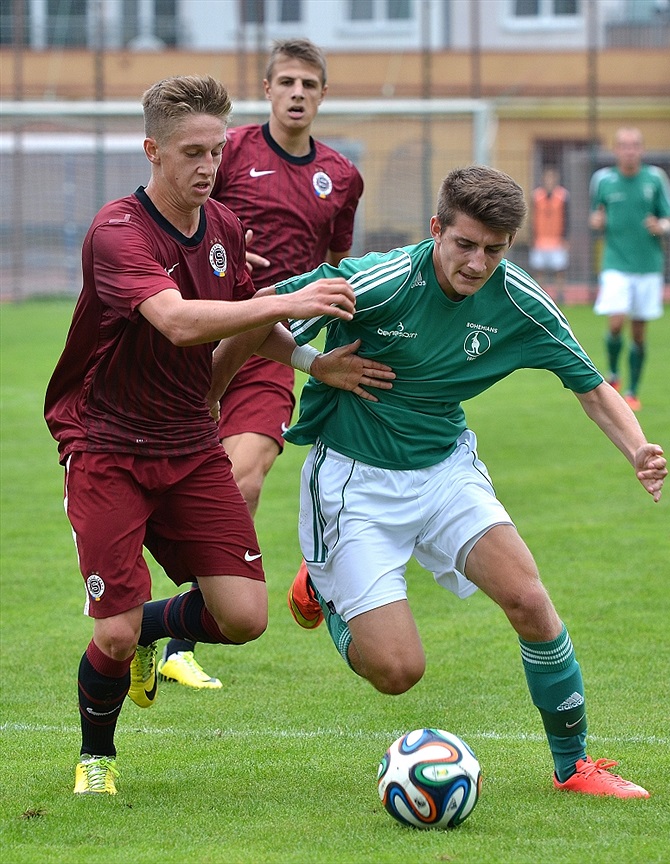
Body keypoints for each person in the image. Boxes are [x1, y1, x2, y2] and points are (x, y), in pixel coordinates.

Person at [239, 165, 666, 799]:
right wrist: (313, 363)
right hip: (356, 482)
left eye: (494, 250)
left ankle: (574, 766)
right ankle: (326, 589)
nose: (476, 263)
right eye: (465, 244)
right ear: (437, 229)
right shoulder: (376, 283)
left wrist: (638, 450)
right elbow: (254, 319)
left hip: (445, 471)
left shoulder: (519, 302)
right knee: (397, 671)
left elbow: (591, 387)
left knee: (529, 599)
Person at [43, 74, 393, 796]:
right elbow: (176, 321)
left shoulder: (226, 229)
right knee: (109, 635)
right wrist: (290, 296)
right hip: (107, 444)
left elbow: (246, 322)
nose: (208, 167)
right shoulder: (118, 231)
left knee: (244, 617)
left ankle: (145, 629)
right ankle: (96, 758)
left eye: (215, 152)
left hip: (187, 442)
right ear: (153, 152)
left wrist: (309, 359)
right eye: (192, 154)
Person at [158, 38, 365, 690]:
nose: (297, 92)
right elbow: (180, 216)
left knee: (243, 479)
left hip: (275, 346)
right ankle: (142, 609)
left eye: (309, 82)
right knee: (161, 481)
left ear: (322, 94)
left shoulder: (342, 176)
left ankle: (176, 640)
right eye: (286, 82)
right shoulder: (229, 152)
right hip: (203, 333)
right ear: (268, 90)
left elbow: (335, 265)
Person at [589, 126, 670, 412]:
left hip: (648, 265)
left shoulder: (654, 179)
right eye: (624, 145)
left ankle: (633, 390)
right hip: (615, 262)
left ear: (641, 149)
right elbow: (596, 215)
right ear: (616, 150)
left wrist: (660, 227)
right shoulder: (603, 180)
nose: (630, 150)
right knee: (616, 322)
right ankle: (613, 375)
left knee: (639, 332)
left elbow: (668, 217)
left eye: (635, 145)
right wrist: (597, 222)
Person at [529, 166, 569, 304]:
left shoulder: (563, 196)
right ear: (543, 180)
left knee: (560, 269)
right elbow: (531, 218)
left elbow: (567, 217)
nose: (550, 181)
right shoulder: (536, 196)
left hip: (557, 239)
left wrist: (566, 238)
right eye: (547, 178)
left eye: (552, 178)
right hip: (540, 239)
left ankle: (560, 295)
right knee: (539, 270)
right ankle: (540, 295)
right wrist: (532, 237)